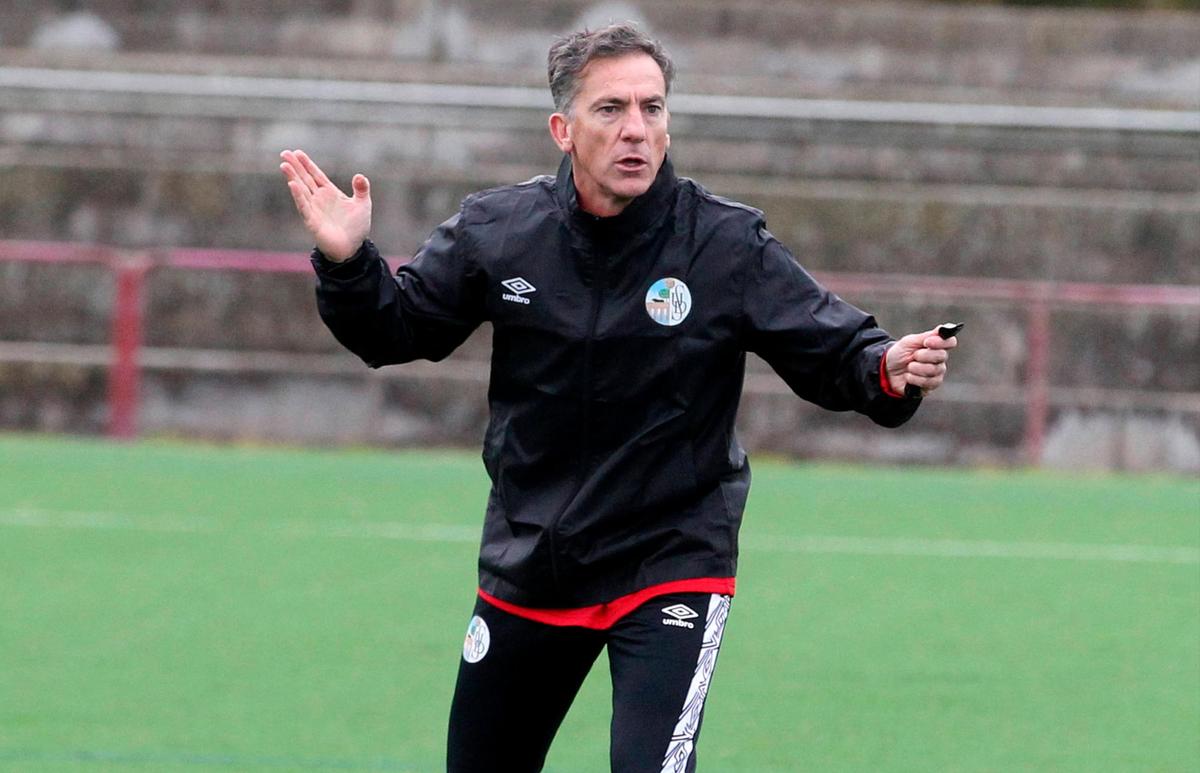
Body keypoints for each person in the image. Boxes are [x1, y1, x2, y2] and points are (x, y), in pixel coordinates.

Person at [279, 22, 955, 773]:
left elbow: (833, 349)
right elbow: (397, 328)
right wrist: (347, 263)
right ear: (562, 129)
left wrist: (889, 366)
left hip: (671, 559)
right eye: (611, 110)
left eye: (653, 108)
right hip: (535, 557)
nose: (637, 129)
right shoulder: (498, 229)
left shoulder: (724, 243)